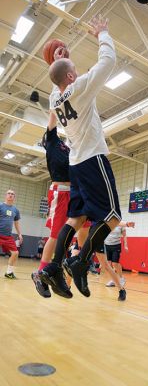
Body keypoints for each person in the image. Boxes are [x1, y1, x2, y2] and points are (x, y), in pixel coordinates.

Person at [39, 15, 122, 299]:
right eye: (74, 69)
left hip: (76, 164)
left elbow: (57, 78)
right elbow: (108, 62)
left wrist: (59, 61)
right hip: (92, 158)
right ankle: (80, 262)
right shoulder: (80, 88)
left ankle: (51, 268)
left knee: (75, 219)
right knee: (112, 218)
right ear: (72, 77)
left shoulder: (54, 98)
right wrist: (103, 34)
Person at [31, 113, 71, 298]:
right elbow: (52, 123)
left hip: (74, 194)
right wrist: (56, 106)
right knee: (55, 236)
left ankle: (59, 268)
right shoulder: (53, 143)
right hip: (59, 192)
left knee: (73, 234)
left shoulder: (69, 149)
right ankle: (40, 274)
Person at [0, 190, 23, 279]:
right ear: (6, 195)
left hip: (8, 236)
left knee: (15, 253)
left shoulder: (15, 210)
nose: (10, 195)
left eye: (12, 194)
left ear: (14, 197)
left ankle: (9, 272)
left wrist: (20, 234)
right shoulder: (1, 206)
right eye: (9, 193)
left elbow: (16, 223)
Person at [105, 223, 132, 287]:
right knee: (108, 264)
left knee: (115, 263)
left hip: (116, 245)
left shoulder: (121, 224)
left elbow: (124, 236)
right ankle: (113, 279)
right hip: (107, 245)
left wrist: (125, 245)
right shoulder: (107, 222)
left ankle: (121, 278)